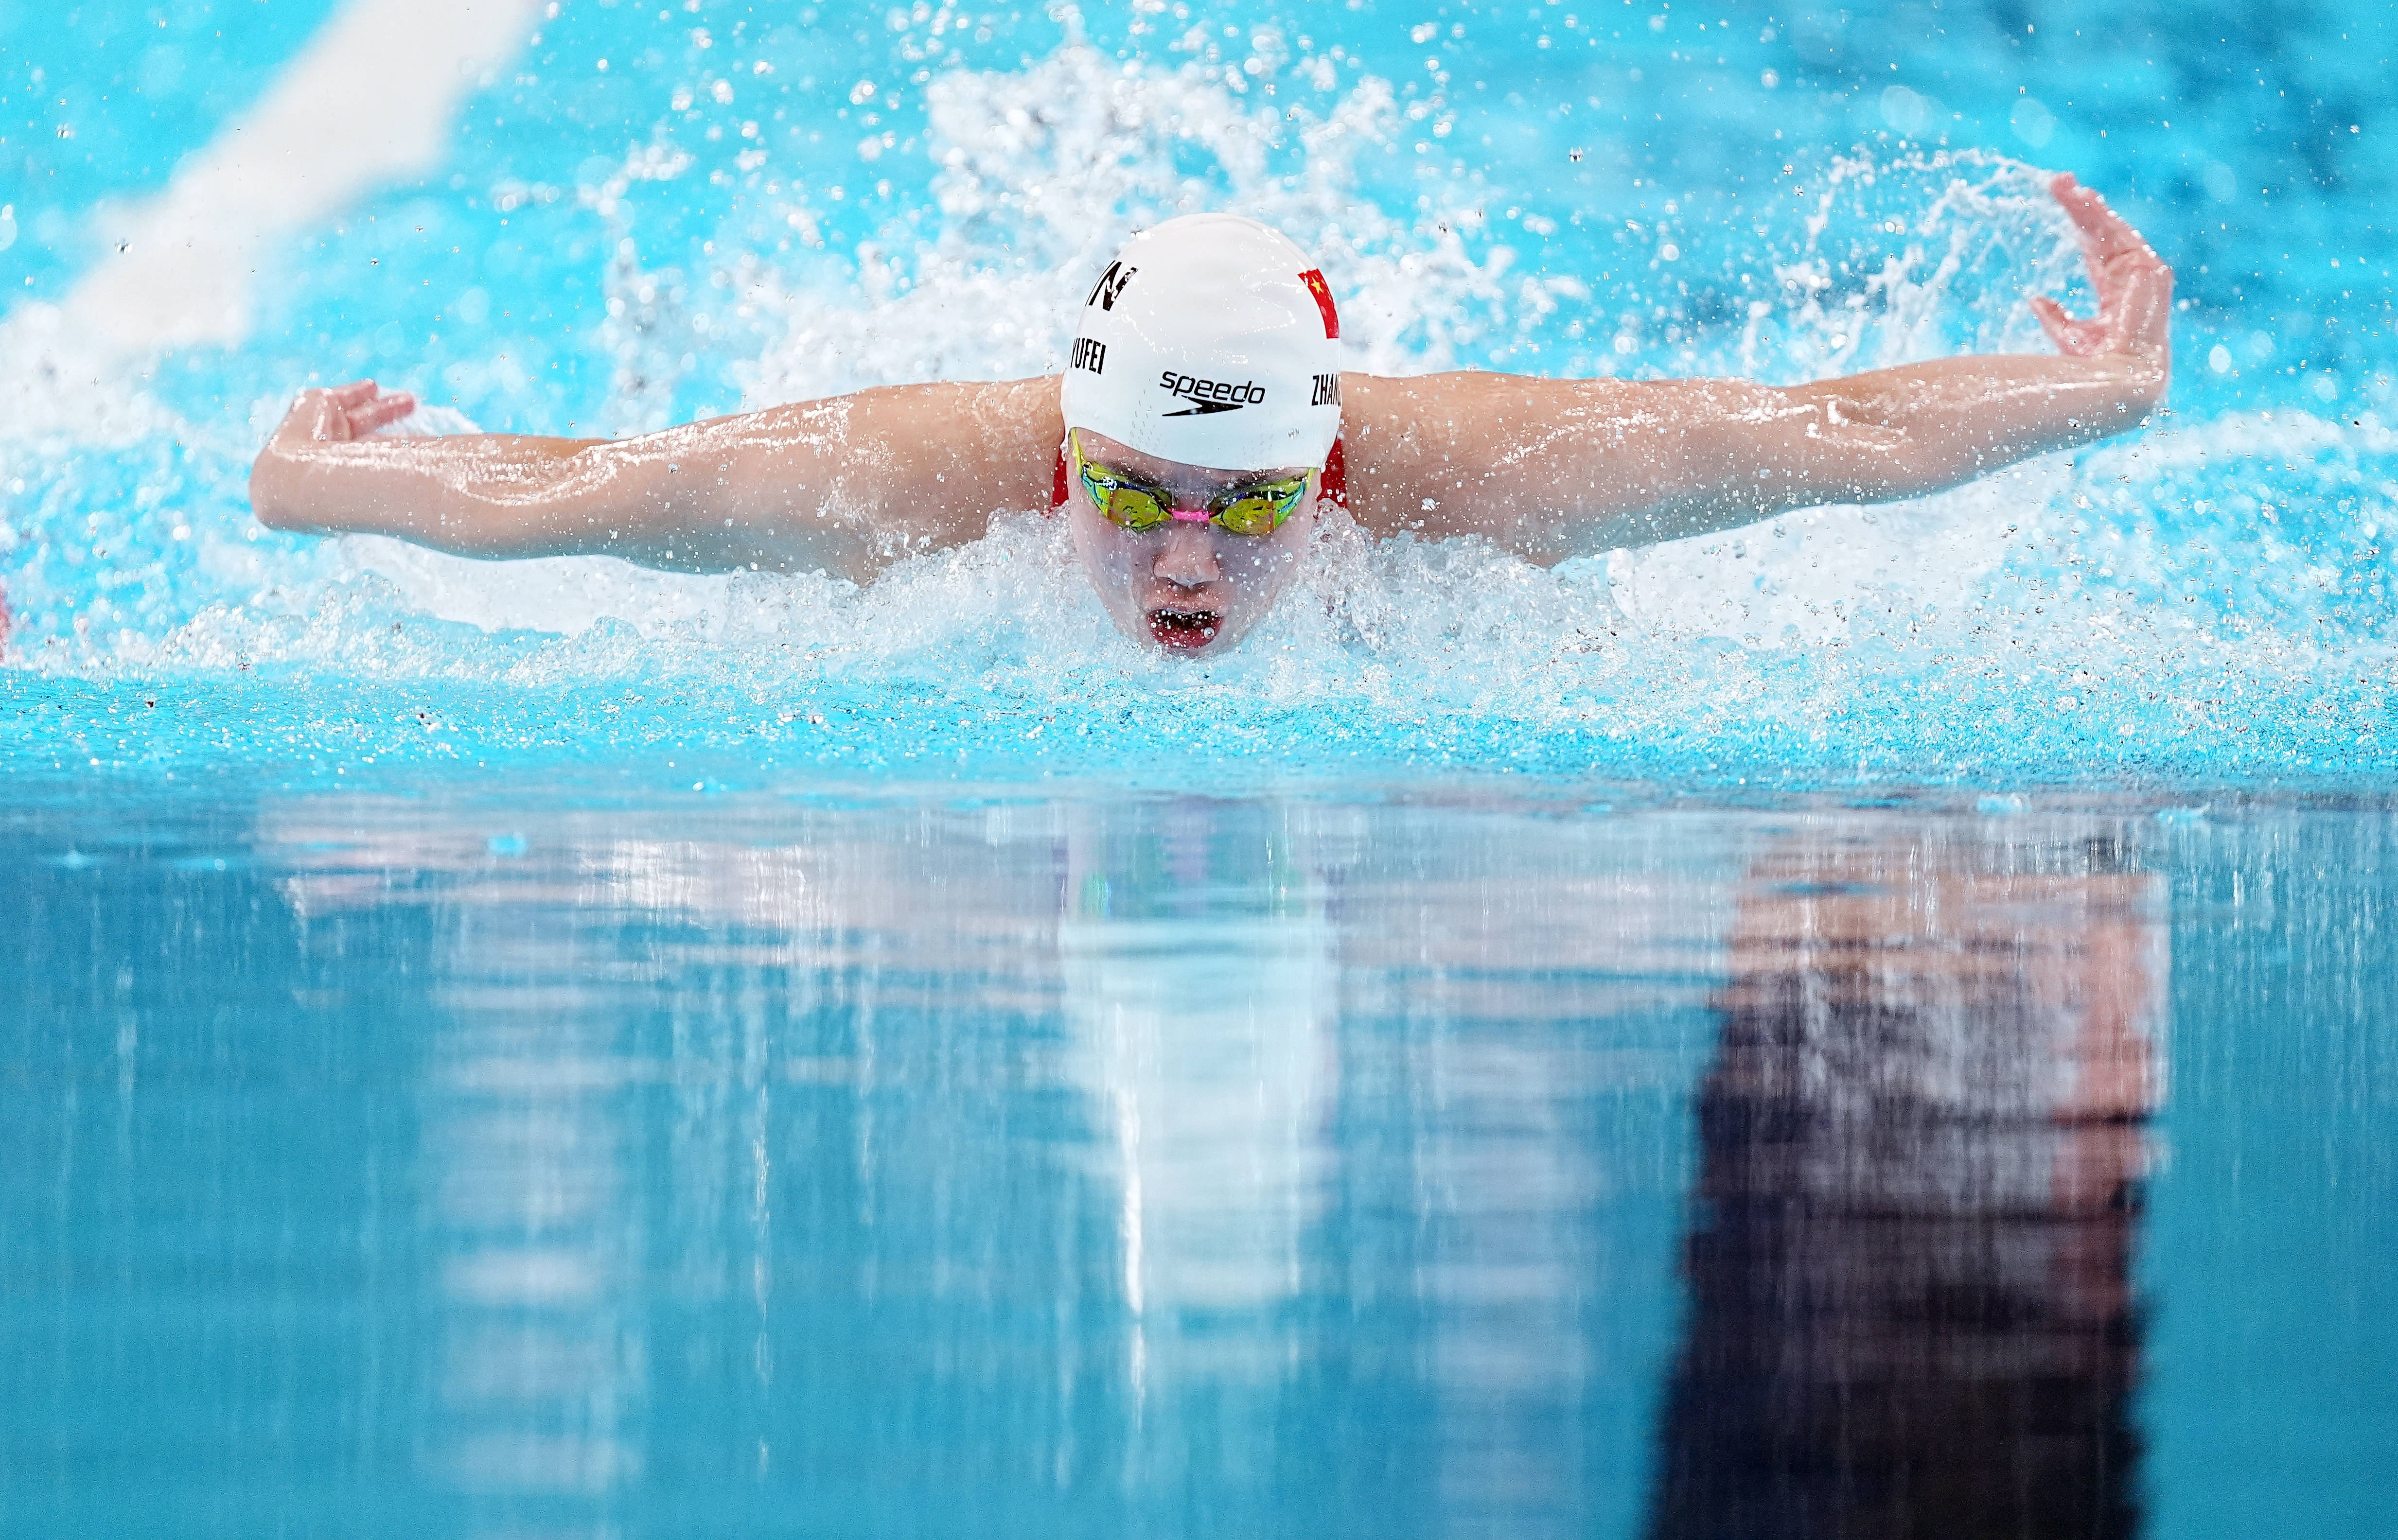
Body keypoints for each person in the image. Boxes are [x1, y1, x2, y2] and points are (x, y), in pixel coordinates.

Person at [249, 173, 2170, 655]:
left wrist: (2088, 392)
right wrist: (315, 485)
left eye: (1249, 509)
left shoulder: (1475, 476)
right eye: (1134, 495)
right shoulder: (907, 477)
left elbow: (1813, 433)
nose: (1182, 559)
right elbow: (567, 493)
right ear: (1065, 453)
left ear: (1324, 467)